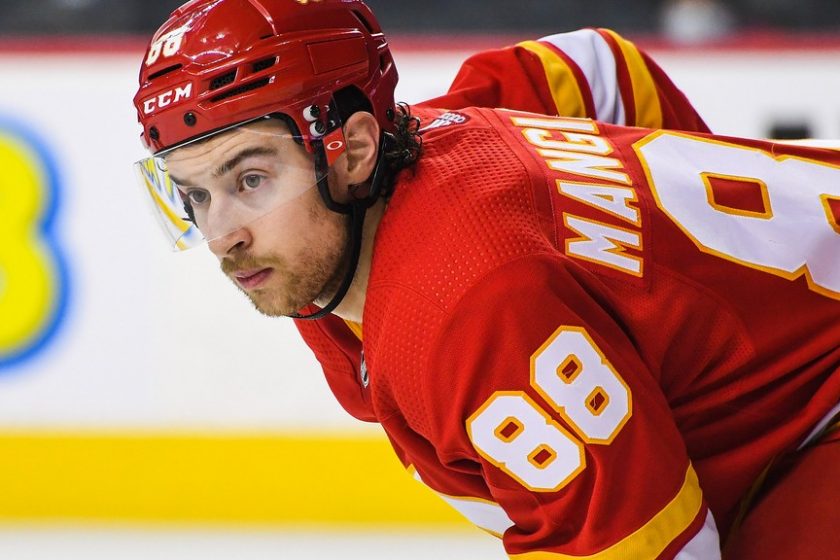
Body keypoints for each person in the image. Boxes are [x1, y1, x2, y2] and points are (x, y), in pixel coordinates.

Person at [131, 1, 840, 558]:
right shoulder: (434, 140)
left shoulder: (466, 308)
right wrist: (689, 263)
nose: (222, 233)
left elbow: (650, 546)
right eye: (196, 194)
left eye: (250, 179)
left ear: (352, 151)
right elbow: (598, 68)